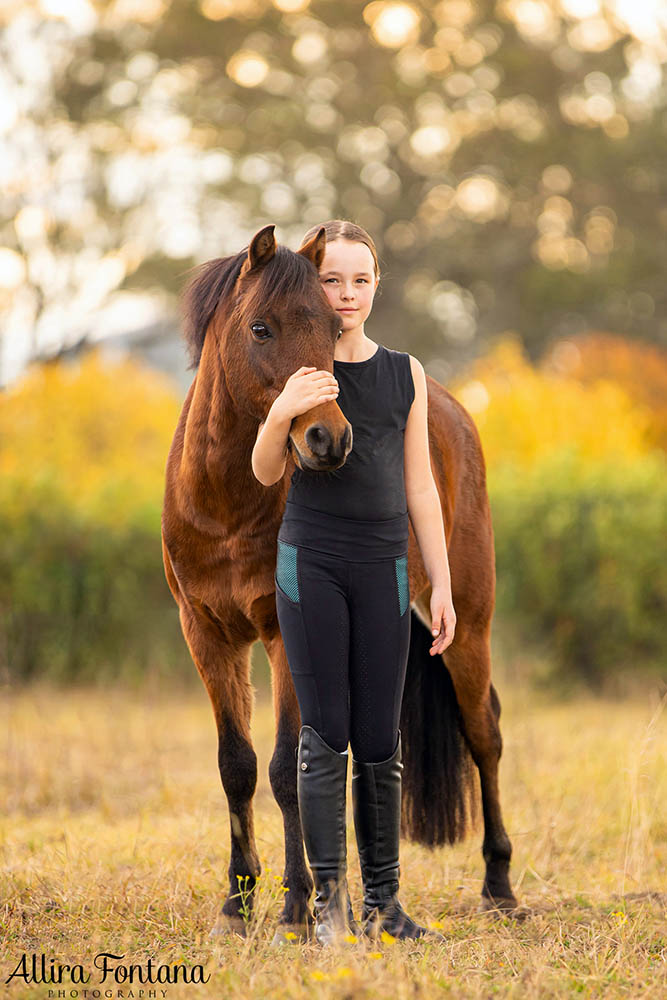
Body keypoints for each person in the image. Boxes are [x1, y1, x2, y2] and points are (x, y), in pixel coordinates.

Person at [252, 220, 456, 945]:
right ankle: (330, 906)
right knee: (324, 733)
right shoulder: (302, 368)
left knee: (378, 739)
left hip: (383, 568)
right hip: (309, 565)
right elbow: (265, 472)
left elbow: (422, 488)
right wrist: (281, 409)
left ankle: (385, 906)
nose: (345, 293)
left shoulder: (405, 372)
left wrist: (440, 584)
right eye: (331, 279)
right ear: (314, 286)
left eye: (359, 279)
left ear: (377, 285)